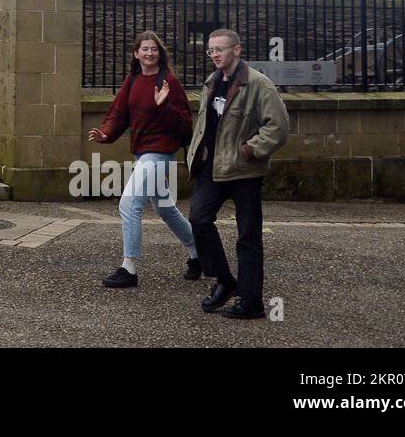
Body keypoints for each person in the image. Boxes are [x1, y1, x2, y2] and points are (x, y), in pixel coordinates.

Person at [188, 29, 290, 319]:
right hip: (213, 166)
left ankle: (252, 301)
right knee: (199, 218)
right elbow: (205, 125)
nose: (215, 54)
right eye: (211, 50)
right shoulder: (212, 82)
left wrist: (250, 150)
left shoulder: (259, 84)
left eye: (220, 49)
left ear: (237, 50)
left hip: (244, 169)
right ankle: (225, 280)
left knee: (248, 236)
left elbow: (278, 127)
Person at [88, 31, 198, 288]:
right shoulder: (133, 80)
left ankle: (129, 268)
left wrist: (164, 106)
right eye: (145, 49)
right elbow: (118, 113)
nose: (149, 53)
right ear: (136, 54)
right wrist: (106, 133)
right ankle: (199, 253)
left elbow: (185, 126)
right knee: (165, 208)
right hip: (143, 153)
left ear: (160, 53)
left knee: (129, 204)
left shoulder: (168, 82)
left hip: (160, 154)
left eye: (154, 49)